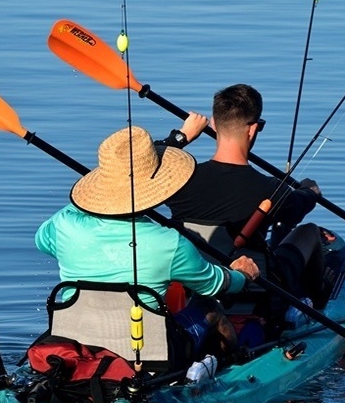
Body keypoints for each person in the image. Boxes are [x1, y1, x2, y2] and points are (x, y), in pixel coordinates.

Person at [35, 126, 259, 364]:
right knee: (208, 306)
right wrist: (241, 276)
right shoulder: (169, 242)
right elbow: (214, 285)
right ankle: (230, 371)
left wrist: (94, 195)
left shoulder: (64, 224)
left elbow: (42, 241)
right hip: (148, 355)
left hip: (78, 345)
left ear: (102, 183)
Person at [162, 84, 332, 325]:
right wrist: (310, 191)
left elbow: (142, 165)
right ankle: (319, 310)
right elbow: (301, 205)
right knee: (310, 232)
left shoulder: (178, 180)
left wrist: (182, 136)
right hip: (255, 291)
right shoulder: (270, 189)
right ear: (253, 129)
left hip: (194, 285)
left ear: (212, 123)